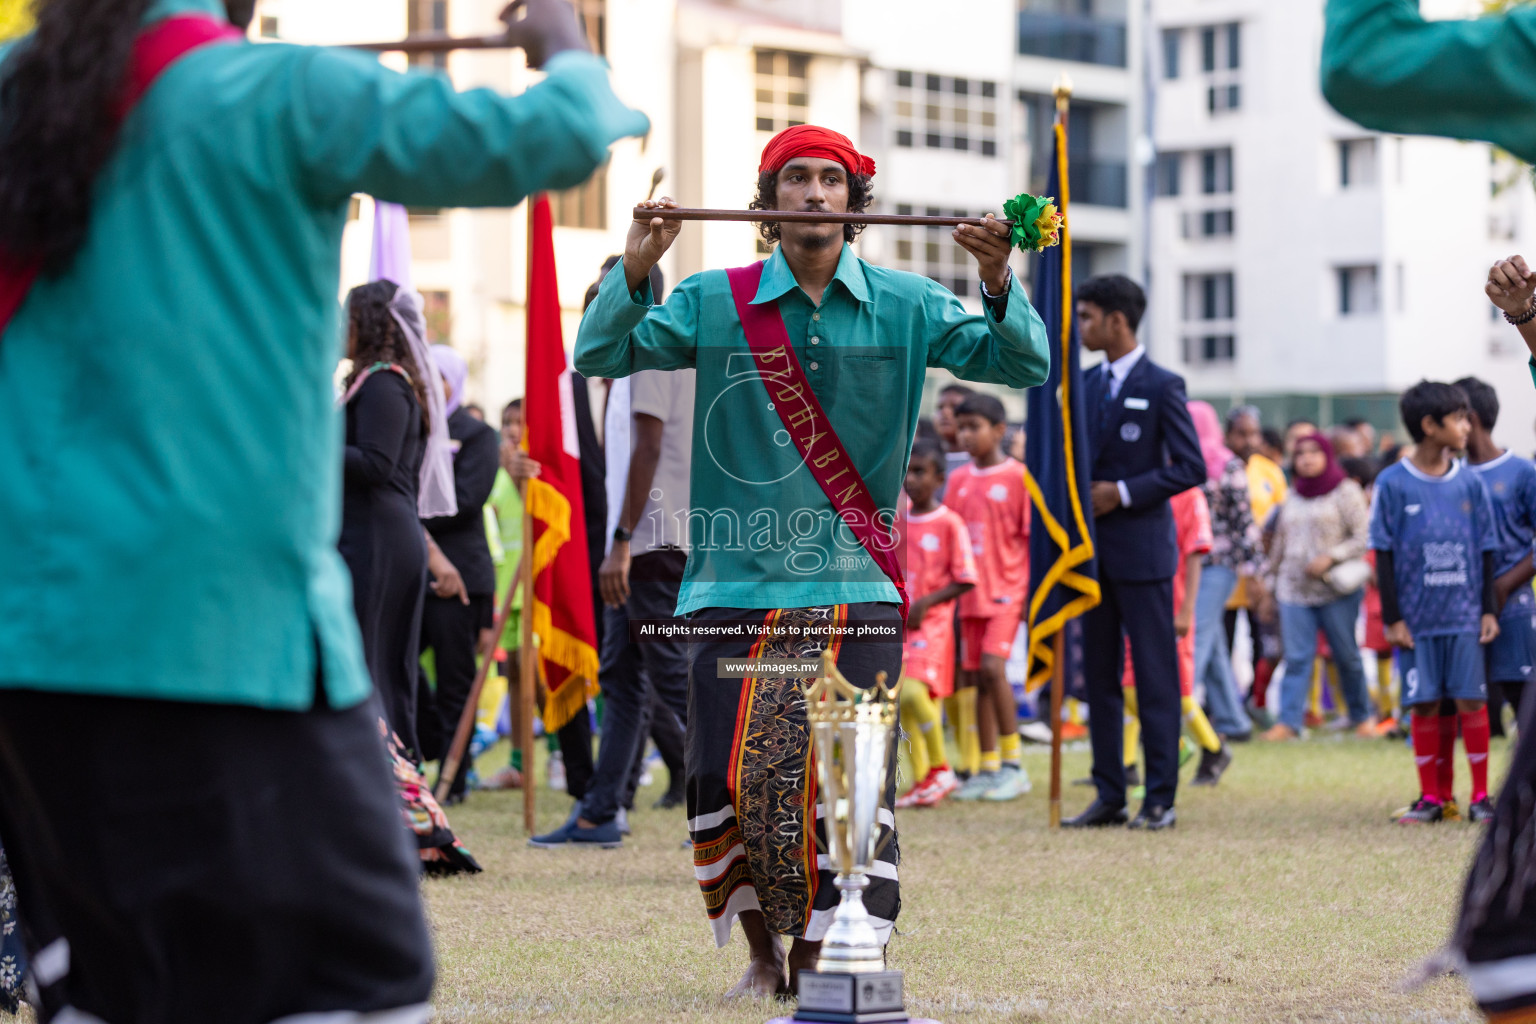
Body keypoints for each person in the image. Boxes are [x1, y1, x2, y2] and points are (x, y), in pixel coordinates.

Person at [0, 0, 647, 1017]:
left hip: (29, 646)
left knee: (113, 983)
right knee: (366, 977)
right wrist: (566, 49)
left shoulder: (17, 84)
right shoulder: (277, 89)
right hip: (225, 638)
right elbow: (554, 140)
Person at [574, 123, 1050, 997]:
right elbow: (602, 353)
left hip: (855, 581)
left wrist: (994, 277)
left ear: (854, 204)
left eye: (832, 180)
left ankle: (824, 950)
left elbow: (1024, 360)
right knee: (722, 772)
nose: (815, 193)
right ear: (768, 204)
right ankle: (761, 954)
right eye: (796, 179)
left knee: (854, 776)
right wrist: (636, 268)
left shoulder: (908, 303)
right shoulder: (715, 299)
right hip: (733, 579)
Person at [531, 336, 696, 849]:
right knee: (622, 677)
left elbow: (648, 448)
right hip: (643, 543)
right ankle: (601, 810)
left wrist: (622, 543)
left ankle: (749, 791)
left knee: (674, 678)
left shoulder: (653, 351)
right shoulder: (639, 363)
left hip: (651, 543)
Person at [1064, 274, 1205, 831]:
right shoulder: (1084, 384)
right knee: (1096, 677)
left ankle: (1160, 797)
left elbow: (1190, 466)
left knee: (1153, 678)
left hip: (1144, 555)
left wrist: (1121, 493)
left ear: (1117, 320)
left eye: (1088, 317)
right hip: (1091, 557)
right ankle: (1108, 793)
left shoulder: (1164, 384)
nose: (1082, 328)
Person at [1369, 381, 1500, 825]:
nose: (1467, 426)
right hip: (1418, 620)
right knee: (1424, 703)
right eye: (1459, 418)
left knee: (1469, 700)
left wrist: (1487, 610)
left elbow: (1487, 549)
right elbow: (1382, 552)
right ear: (1430, 426)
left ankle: (1480, 797)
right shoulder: (1392, 483)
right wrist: (1393, 618)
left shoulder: (1470, 483)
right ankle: (1433, 798)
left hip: (1464, 615)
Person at [417, 344, 502, 804]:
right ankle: (427, 746)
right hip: (412, 570)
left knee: (455, 681)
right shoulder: (411, 426)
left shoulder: (476, 434)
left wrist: (406, 514)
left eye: (439, 376)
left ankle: (455, 778)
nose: (430, 383)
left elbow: (466, 500)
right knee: (397, 666)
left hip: (460, 577)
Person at [1257, 433, 1374, 741]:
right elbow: (1279, 547)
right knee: (1297, 658)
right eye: (1300, 454)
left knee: (1346, 655)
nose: (1307, 458)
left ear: (1327, 455)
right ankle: (1289, 722)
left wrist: (1330, 557)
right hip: (1294, 591)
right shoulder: (1292, 496)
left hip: (1336, 590)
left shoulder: (1345, 492)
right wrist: (1269, 587)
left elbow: (1362, 538)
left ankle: (1361, 717)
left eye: (1314, 452)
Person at [945, 392, 1032, 801]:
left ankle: (1015, 767)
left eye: (973, 427)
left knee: (995, 670)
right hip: (969, 598)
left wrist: (1032, 595)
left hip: (1006, 593)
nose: (965, 435)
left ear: (999, 430)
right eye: (961, 427)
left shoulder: (1018, 478)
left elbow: (1031, 539)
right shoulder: (959, 481)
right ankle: (988, 765)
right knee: (978, 676)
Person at [1119, 484, 1230, 786]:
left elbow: (1196, 555)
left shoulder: (1190, 496)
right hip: (1138, 601)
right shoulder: (1138, 487)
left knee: (1175, 688)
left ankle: (1209, 748)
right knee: (1130, 683)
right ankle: (1127, 763)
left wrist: (1186, 610)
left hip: (1173, 604)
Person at [895, 440, 977, 808]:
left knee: (914, 692)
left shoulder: (949, 522)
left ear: (939, 478)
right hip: (899, 624)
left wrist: (925, 603)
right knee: (902, 701)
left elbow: (965, 577)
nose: (911, 480)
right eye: (906, 472)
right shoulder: (898, 519)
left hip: (932, 626)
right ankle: (922, 778)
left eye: (920, 472)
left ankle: (942, 767)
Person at [1458, 376, 1536, 738]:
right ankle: (1482, 794)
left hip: (1514, 606)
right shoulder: (1450, 475)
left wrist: (1505, 584)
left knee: (1524, 700)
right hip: (1462, 609)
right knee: (1471, 709)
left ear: (1469, 418)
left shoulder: (1521, 471)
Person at [1186, 400, 1254, 768]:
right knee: (1209, 645)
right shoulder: (1178, 458)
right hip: (1188, 563)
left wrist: (1255, 572)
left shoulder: (1229, 465)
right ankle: (1232, 720)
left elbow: (1246, 522)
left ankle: (1179, 714)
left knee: (1194, 636)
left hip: (1219, 565)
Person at [1224, 404, 1287, 727]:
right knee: (1223, 641)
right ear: (1227, 434)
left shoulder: (1269, 472)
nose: (1249, 440)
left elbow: (1281, 520)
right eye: (1241, 433)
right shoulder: (1219, 466)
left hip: (1261, 577)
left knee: (1264, 644)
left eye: (1254, 433)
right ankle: (1222, 708)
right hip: (1225, 577)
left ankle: (1255, 701)